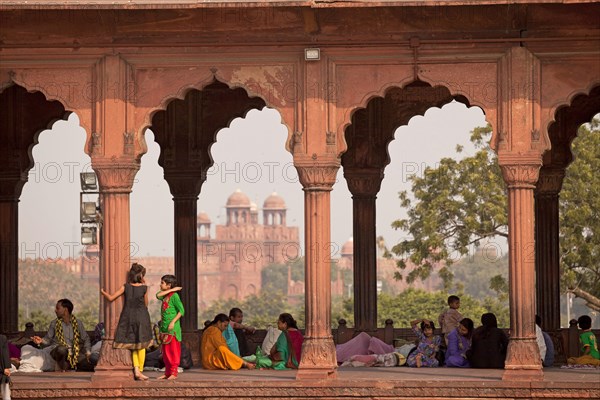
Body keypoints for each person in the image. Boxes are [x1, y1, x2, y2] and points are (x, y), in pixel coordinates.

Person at [101, 262, 153, 381]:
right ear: (140, 276)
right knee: (142, 345)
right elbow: (146, 304)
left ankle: (136, 370)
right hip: (141, 316)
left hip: (128, 317)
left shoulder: (126, 287)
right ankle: (140, 370)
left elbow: (111, 298)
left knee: (133, 345)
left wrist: (102, 292)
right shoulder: (144, 288)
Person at [31, 299, 94, 372]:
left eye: (58, 308)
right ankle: (67, 368)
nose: (55, 310)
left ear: (65, 310)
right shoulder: (54, 323)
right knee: (62, 349)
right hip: (58, 351)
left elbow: (85, 339)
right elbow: (48, 339)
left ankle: (72, 367)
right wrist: (41, 341)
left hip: (74, 352)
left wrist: (88, 352)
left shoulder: (78, 323)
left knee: (90, 365)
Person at [156, 274, 185, 379]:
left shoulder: (175, 296)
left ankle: (174, 373)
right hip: (164, 329)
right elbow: (157, 295)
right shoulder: (165, 295)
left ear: (169, 285)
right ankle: (167, 372)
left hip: (173, 330)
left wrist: (173, 322)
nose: (160, 284)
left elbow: (182, 311)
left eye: (162, 283)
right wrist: (171, 290)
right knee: (166, 352)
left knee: (173, 351)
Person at [1, 335, 11, 400]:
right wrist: (6, 367)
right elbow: (5, 353)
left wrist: (6, 367)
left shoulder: (2, 338)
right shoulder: (2, 338)